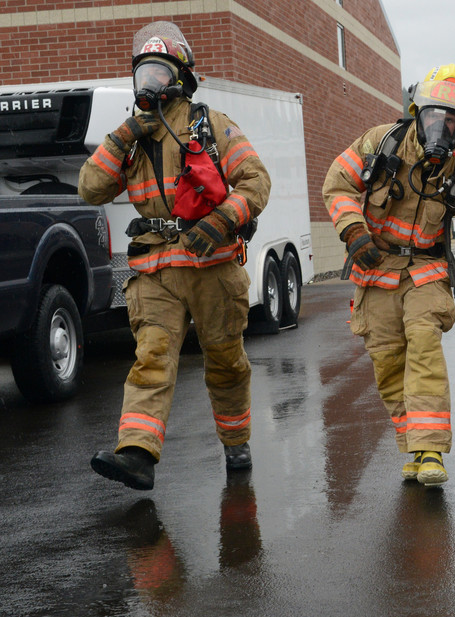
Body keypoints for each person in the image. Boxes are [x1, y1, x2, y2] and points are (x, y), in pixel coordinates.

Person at [79, 21, 271, 490]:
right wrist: (124, 133)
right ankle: (137, 455)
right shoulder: (132, 139)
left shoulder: (213, 125)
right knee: (152, 357)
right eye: (143, 73)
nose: (150, 84)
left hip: (212, 266)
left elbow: (256, 182)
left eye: (159, 73)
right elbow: (89, 187)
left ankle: (236, 443)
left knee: (225, 361)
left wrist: (220, 222)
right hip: (156, 271)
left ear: (180, 78)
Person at [322, 64, 455, 487]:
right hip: (374, 270)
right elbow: (337, 183)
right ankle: (414, 446)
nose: (441, 126)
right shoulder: (381, 144)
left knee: (423, 346)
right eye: (435, 116)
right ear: (418, 112)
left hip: (425, 272)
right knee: (387, 364)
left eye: (451, 120)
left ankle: (431, 449)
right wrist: (354, 231)